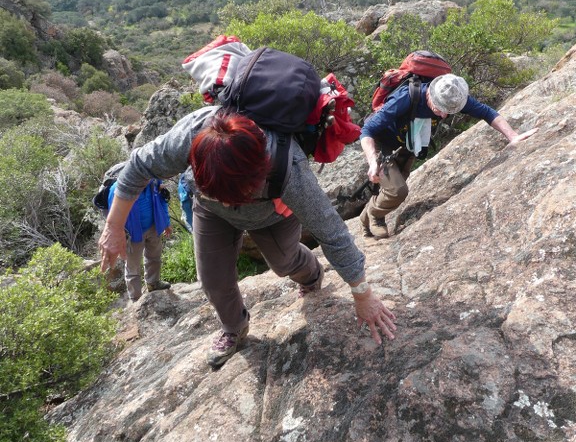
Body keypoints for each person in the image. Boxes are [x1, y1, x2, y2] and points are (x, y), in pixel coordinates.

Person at [98, 107, 397, 367]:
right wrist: (114, 226)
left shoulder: (289, 169)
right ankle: (234, 327)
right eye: (220, 193)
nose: (229, 202)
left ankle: (311, 274)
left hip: (270, 214)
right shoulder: (191, 135)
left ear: (258, 174)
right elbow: (138, 166)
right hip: (209, 211)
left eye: (235, 195)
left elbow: (331, 231)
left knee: (284, 262)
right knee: (212, 279)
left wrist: (362, 293)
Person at [359, 73, 538, 239]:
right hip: (383, 142)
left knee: (394, 186)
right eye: (440, 109)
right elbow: (367, 130)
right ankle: (374, 215)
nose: (444, 114)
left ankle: (371, 215)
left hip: (410, 142)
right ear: (430, 95)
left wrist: (513, 136)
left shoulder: (454, 96)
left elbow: (487, 112)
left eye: (448, 111)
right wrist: (373, 161)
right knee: (398, 191)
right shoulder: (406, 98)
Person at [108, 177, 172, 301]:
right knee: (133, 266)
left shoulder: (154, 182)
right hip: (132, 233)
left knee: (154, 257)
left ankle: (153, 283)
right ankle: (136, 298)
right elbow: (113, 215)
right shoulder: (119, 188)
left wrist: (166, 222)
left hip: (154, 226)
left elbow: (162, 201)